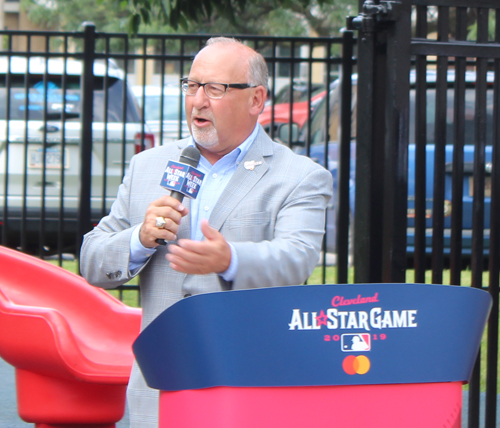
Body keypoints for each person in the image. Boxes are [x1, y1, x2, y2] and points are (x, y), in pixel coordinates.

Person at [80, 37, 333, 428]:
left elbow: (296, 258)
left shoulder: (299, 177)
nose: (198, 100)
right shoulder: (148, 166)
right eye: (192, 85)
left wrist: (230, 260)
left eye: (215, 88)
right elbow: (92, 261)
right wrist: (139, 239)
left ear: (256, 99)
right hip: (158, 389)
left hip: (248, 388)